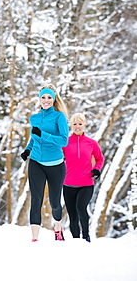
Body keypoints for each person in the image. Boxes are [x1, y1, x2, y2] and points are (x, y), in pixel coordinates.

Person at [21, 84, 69, 242]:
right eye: (43, 97)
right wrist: (28, 150)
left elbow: (64, 140)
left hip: (56, 164)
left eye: (49, 97)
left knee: (55, 202)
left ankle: (57, 226)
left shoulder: (59, 117)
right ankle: (35, 238)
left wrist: (44, 135)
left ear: (53, 99)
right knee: (36, 199)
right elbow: (34, 138)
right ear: (39, 99)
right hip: (36, 162)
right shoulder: (34, 118)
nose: (46, 100)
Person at [63, 113, 104, 242]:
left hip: (86, 183)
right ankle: (76, 240)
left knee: (81, 208)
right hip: (68, 184)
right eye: (74, 124)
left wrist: (96, 169)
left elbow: (99, 159)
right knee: (72, 215)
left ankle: (86, 236)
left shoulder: (91, 143)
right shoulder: (65, 142)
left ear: (84, 125)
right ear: (71, 126)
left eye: (80, 124)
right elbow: (57, 157)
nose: (77, 127)